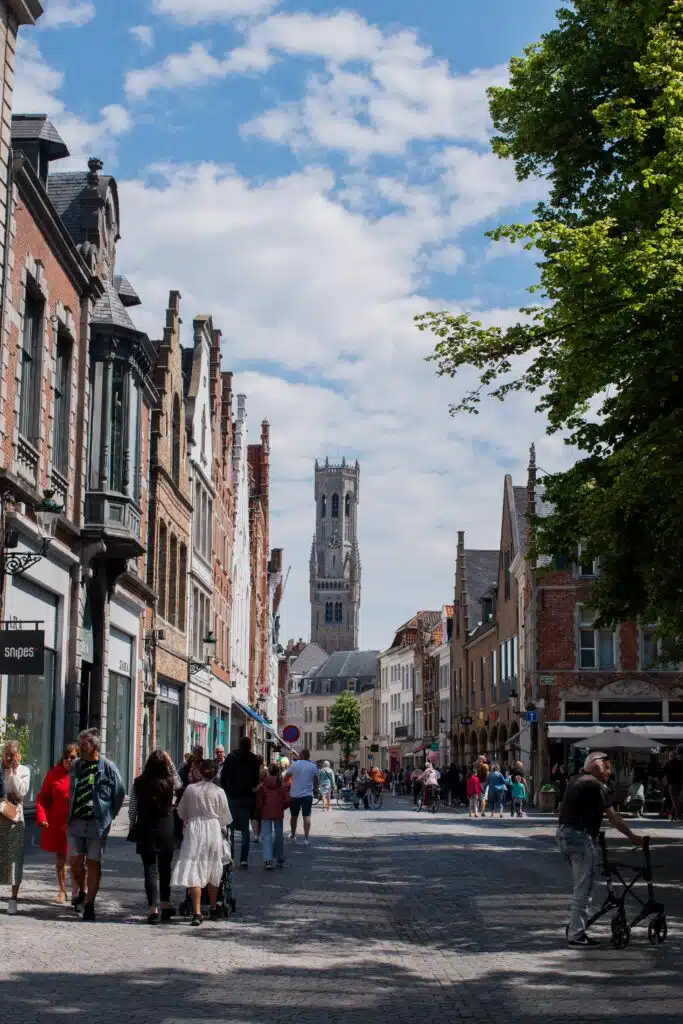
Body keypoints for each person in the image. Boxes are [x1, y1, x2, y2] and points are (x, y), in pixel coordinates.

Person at [557, 751, 643, 947]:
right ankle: (577, 935)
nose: (609, 774)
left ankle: (575, 927)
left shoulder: (576, 780)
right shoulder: (595, 785)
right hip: (579, 836)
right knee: (584, 888)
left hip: (564, 835)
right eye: (607, 769)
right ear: (596, 767)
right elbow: (613, 817)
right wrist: (632, 837)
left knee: (580, 884)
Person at [67, 727, 125, 922]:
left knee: (93, 863)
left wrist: (109, 817)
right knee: (75, 862)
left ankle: (90, 904)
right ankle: (82, 890)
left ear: (93, 745)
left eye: (83, 744)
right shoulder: (76, 765)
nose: (80, 748)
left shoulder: (107, 767)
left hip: (96, 824)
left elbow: (119, 792)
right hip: (76, 821)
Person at [172, 760, 231, 926]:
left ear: (200, 772)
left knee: (195, 870)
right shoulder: (219, 791)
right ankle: (213, 908)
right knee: (213, 868)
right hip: (213, 829)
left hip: (195, 830)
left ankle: (197, 912)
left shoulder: (190, 790)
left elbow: (181, 812)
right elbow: (225, 817)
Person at [129, 750, 178, 924]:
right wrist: (170, 762)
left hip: (146, 827)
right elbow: (180, 784)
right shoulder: (170, 782)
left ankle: (153, 908)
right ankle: (165, 903)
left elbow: (132, 808)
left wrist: (132, 823)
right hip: (166, 827)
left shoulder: (138, 783)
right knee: (165, 868)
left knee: (149, 869)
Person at [35, 743, 78, 903]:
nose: (69, 760)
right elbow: (43, 797)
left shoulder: (82, 773)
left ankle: (78, 891)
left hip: (77, 822)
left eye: (72, 757)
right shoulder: (54, 773)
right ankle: (62, 890)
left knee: (78, 860)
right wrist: (41, 816)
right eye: (66, 757)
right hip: (58, 822)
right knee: (60, 859)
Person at [220, 736, 261, 868]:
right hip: (247, 797)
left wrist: (227, 790)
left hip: (232, 797)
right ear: (250, 746)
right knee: (245, 830)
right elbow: (256, 779)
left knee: (230, 828)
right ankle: (244, 858)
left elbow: (223, 776)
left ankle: (230, 856)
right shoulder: (254, 759)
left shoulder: (231, 757)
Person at [0, 740, 31, 915]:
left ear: (19, 755)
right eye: (7, 753)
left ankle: (13, 898)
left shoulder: (24, 771)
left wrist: (13, 773)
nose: (10, 757)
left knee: (15, 859)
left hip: (14, 818)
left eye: (13, 754)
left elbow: (21, 792)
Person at [256, 763, 290, 869]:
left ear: (268, 772)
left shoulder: (263, 785)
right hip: (278, 813)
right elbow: (287, 800)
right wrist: (281, 807)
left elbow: (259, 801)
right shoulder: (281, 785)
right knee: (279, 835)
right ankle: (279, 857)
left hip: (266, 812)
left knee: (267, 836)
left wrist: (260, 809)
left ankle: (268, 860)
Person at [285, 748, 319, 843]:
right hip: (307, 795)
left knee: (294, 816)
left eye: (300, 754)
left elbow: (286, 777)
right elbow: (316, 779)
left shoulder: (295, 765)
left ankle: (293, 834)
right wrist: (316, 787)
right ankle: (306, 838)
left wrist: (286, 785)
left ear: (302, 755)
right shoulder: (312, 766)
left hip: (294, 794)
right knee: (307, 816)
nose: (298, 755)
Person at [662, 749, 683, 821]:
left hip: (672, 784)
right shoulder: (680, 763)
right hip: (679, 784)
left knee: (674, 801)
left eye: (670, 756)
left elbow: (663, 772)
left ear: (673, 756)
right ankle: (674, 815)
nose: (669, 757)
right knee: (676, 800)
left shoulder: (669, 764)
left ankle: (678, 816)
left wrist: (658, 778)